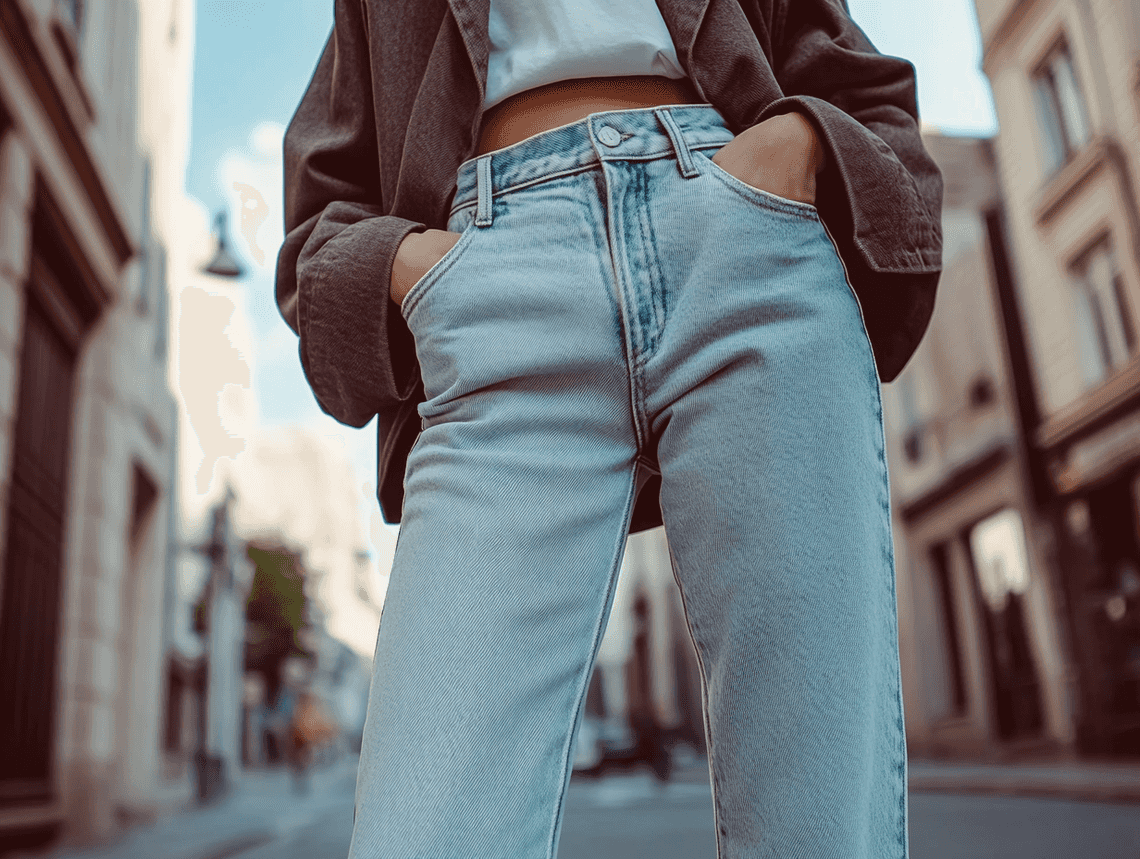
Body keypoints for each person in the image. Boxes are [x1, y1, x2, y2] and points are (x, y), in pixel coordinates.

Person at [277, 1, 944, 856]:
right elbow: (322, 204)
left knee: (816, 825)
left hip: (741, 234)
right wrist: (407, 268)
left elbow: (850, 70)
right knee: (424, 832)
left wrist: (800, 149)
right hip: (497, 278)